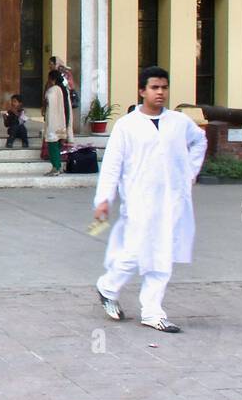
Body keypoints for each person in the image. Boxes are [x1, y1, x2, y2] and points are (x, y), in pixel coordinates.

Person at [93, 66, 207, 333]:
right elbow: (112, 164)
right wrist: (104, 198)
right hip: (139, 200)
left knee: (163, 254)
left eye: (164, 87)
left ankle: (153, 311)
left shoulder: (179, 122)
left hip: (172, 202)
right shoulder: (127, 126)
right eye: (155, 87)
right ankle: (107, 287)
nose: (160, 92)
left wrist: (189, 172)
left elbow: (200, 141)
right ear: (142, 91)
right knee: (134, 252)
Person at [42, 68, 72, 174]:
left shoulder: (53, 90)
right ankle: (58, 166)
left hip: (53, 121)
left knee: (52, 144)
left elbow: (48, 99)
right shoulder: (64, 89)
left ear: (51, 79)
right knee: (58, 144)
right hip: (62, 120)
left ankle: (56, 167)